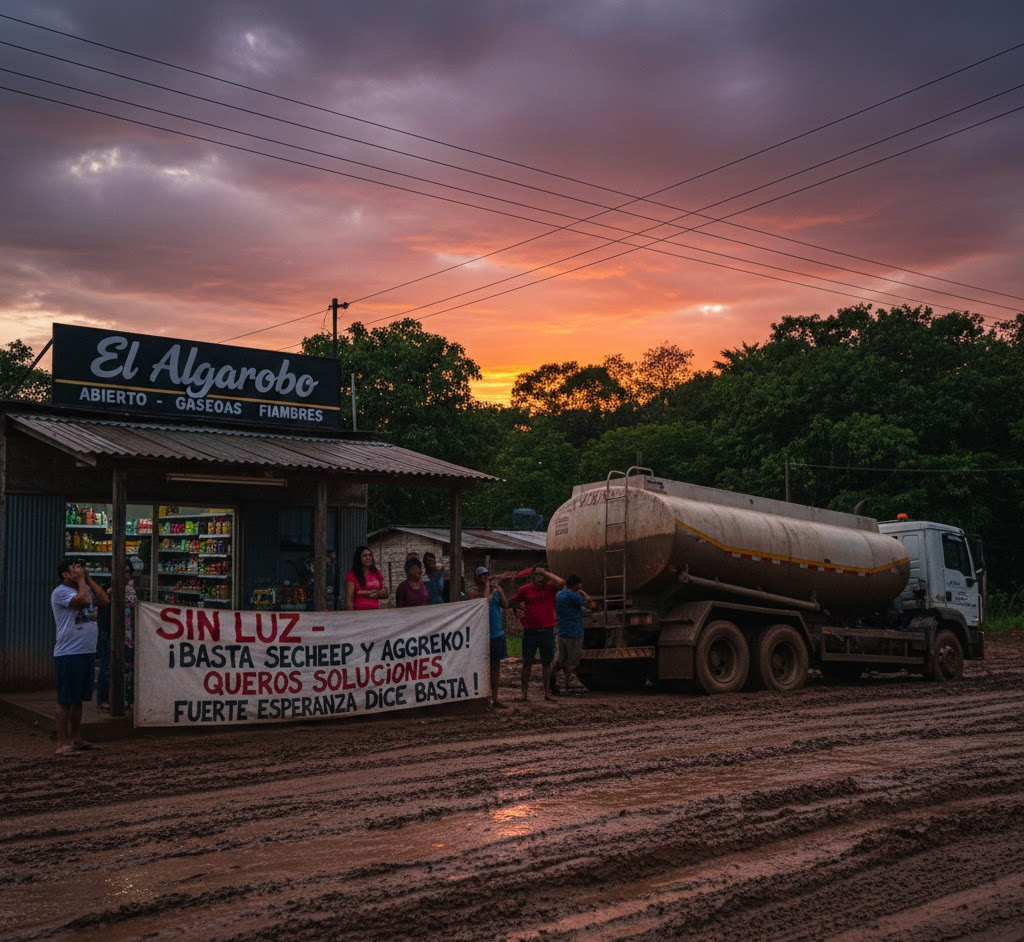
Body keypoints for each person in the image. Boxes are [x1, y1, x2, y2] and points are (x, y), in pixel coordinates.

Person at [51, 557, 110, 755]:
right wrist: (81, 581)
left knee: (78, 700)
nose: (79, 571)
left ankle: (76, 739)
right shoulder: (61, 592)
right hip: (69, 653)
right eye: (75, 569)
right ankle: (62, 743)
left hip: (87, 651)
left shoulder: (84, 586)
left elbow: (104, 600)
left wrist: (88, 579)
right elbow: (84, 601)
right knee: (65, 700)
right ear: (65, 575)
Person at [511, 566, 565, 702]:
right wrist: (521, 609)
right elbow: (513, 601)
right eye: (536, 575)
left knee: (547, 662)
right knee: (527, 662)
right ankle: (524, 693)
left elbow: (562, 583)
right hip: (530, 630)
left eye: (541, 576)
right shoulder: (525, 589)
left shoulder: (550, 588)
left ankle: (547, 693)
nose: (539, 578)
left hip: (547, 630)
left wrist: (545, 572)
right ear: (532, 577)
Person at [96, 558, 139, 709]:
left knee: (128, 668)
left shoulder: (133, 591)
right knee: (108, 666)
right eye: (123, 573)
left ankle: (127, 698)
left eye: (128, 572)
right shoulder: (108, 589)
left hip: (130, 636)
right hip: (111, 633)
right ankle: (103, 698)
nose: (126, 576)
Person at [468, 566, 509, 708]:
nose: (485, 578)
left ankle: (495, 697)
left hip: (496, 634)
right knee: (481, 667)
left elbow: (505, 604)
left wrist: (499, 588)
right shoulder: (473, 592)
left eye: (487, 576)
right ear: (476, 579)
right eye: (482, 576)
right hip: (481, 636)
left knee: (495, 667)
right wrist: (487, 587)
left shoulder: (495, 592)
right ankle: (482, 697)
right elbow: (483, 602)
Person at [551, 574, 597, 695]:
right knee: (572, 661)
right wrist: (583, 593)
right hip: (574, 633)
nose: (581, 586)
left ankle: (553, 682)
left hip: (561, 632)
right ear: (576, 584)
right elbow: (590, 603)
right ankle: (566, 685)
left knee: (560, 659)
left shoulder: (559, 594)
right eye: (580, 584)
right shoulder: (573, 596)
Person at [345, 545, 388, 610]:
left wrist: (377, 594)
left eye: (370, 555)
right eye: (364, 556)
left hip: (375, 611)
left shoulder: (377, 573)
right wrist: (352, 617)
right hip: (359, 612)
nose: (368, 557)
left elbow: (386, 595)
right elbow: (349, 600)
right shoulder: (351, 575)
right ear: (358, 558)